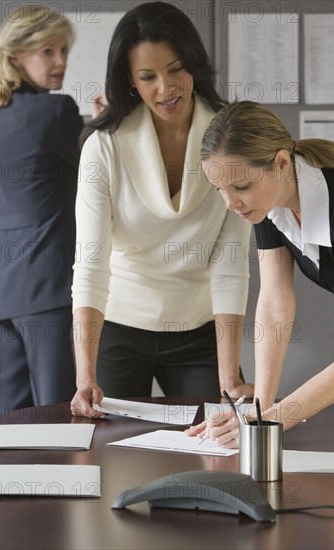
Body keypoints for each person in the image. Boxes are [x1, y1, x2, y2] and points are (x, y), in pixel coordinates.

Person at [70, 2, 252, 419]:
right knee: (112, 456)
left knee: (218, 448)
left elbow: (230, 264)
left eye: (175, 69)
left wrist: (229, 378)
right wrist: (85, 375)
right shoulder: (105, 146)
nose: (165, 88)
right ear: (130, 82)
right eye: (147, 76)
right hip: (118, 325)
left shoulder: (228, 137)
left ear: (194, 65)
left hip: (199, 330)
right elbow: (91, 264)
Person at [188, 100, 334, 447]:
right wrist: (260, 407)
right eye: (220, 190)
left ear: (282, 162)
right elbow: (275, 303)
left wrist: (268, 424)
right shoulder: (267, 203)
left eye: (241, 187)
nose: (231, 203)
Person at [0, 5, 84, 417]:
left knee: (5, 419)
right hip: (47, 286)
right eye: (47, 51)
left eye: (64, 50)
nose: (60, 62)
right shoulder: (59, 111)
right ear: (16, 55)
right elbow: (95, 178)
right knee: (57, 414)